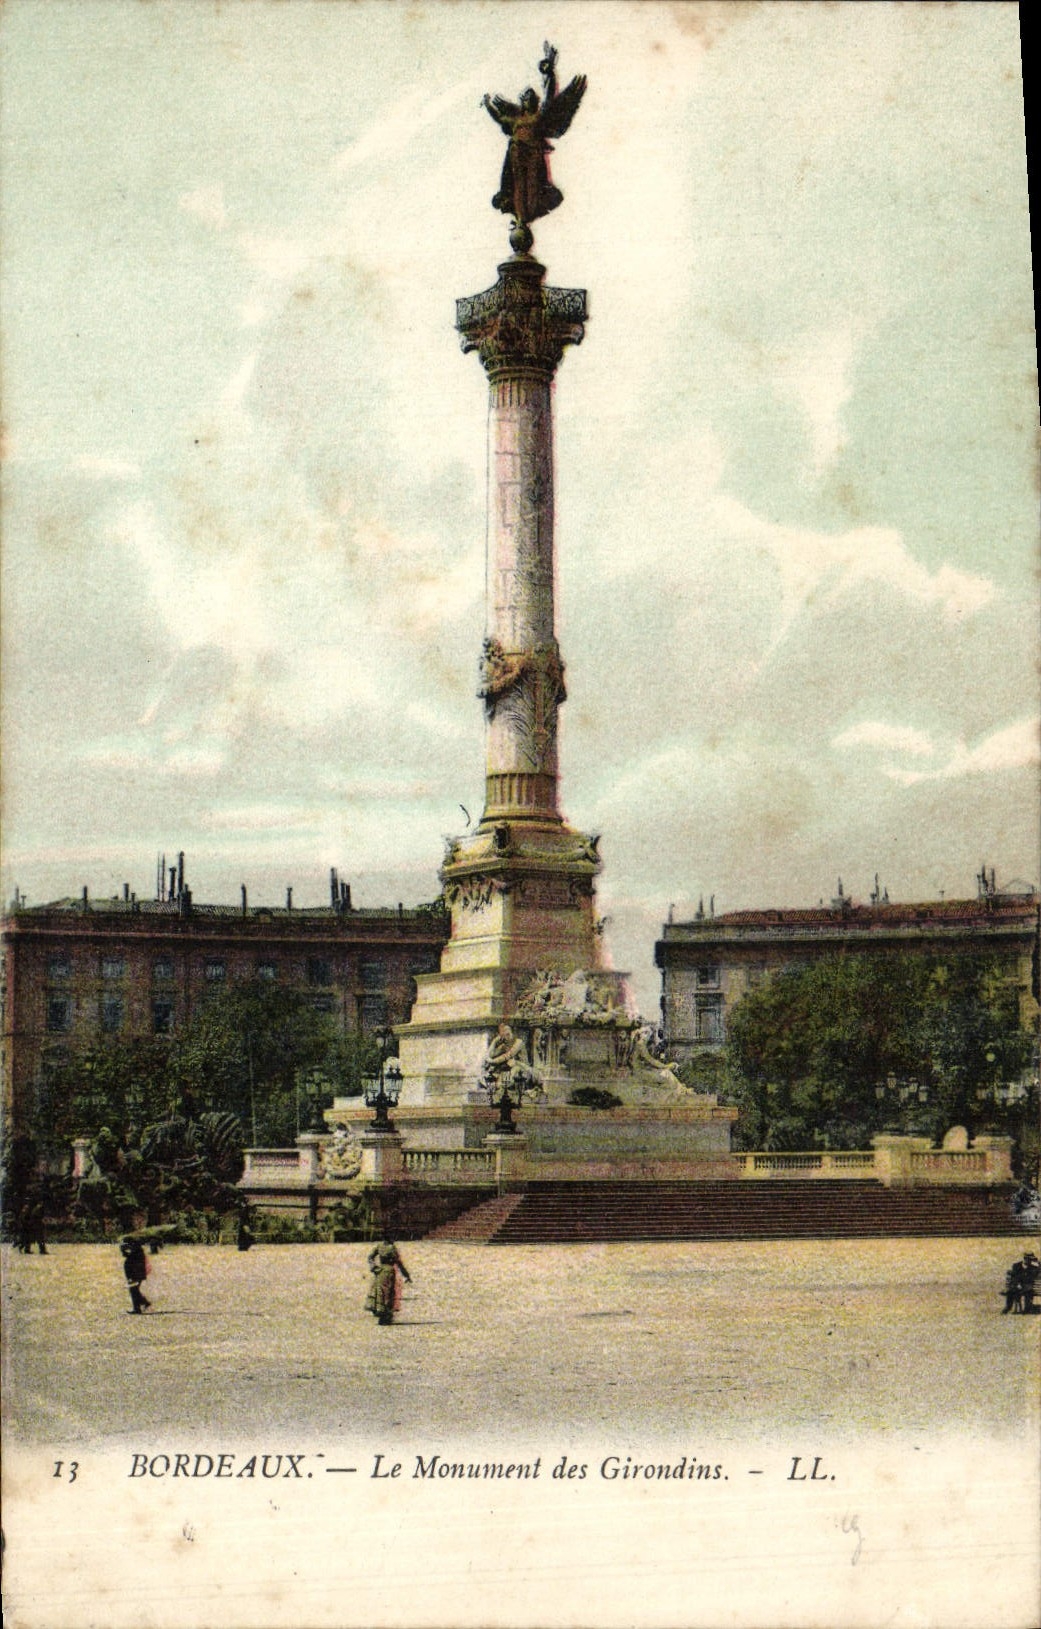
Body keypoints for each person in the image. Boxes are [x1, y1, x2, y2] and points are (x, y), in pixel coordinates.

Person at [365, 1239, 411, 1326]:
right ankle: (386, 1316)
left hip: (380, 1271)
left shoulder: (379, 1246)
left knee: (379, 1292)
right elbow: (398, 1263)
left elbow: (370, 1257)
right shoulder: (392, 1248)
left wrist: (373, 1267)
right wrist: (406, 1275)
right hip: (389, 1271)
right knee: (388, 1293)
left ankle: (380, 1312)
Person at [120, 1236, 151, 1314]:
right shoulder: (137, 1251)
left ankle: (138, 1308)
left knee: (133, 1290)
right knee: (134, 1290)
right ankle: (143, 1303)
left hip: (135, 1274)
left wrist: (124, 1251)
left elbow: (133, 1261)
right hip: (135, 1273)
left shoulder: (137, 1253)